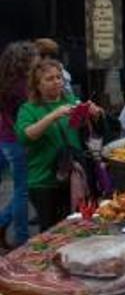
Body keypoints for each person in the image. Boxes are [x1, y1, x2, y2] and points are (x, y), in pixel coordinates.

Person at [15, 59, 102, 231]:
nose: (56, 82)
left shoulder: (70, 99)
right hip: (44, 180)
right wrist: (53, 116)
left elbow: (80, 129)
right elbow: (26, 136)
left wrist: (94, 114)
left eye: (59, 77)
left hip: (73, 176)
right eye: (49, 79)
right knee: (51, 230)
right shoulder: (29, 109)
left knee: (77, 225)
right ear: (37, 85)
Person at [0, 42, 37, 247]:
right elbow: (23, 122)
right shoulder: (22, 87)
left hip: (5, 138)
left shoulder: (5, 82)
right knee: (23, 189)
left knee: (21, 188)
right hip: (17, 142)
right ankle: (22, 238)